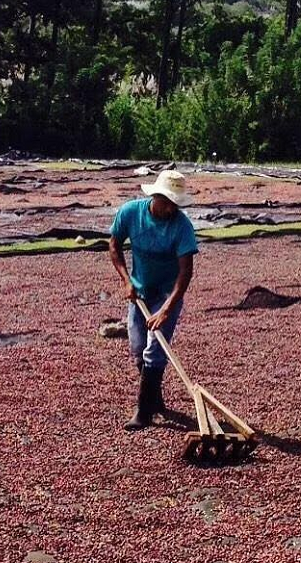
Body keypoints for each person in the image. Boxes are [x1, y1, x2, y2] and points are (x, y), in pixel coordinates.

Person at [109, 170, 198, 431]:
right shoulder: (130, 213)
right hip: (140, 292)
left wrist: (166, 310)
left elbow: (186, 272)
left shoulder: (182, 227)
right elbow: (114, 244)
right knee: (137, 349)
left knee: (154, 352)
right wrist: (126, 280)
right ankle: (155, 398)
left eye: (175, 204)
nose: (171, 208)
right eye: (167, 202)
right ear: (154, 196)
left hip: (167, 294)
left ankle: (144, 412)